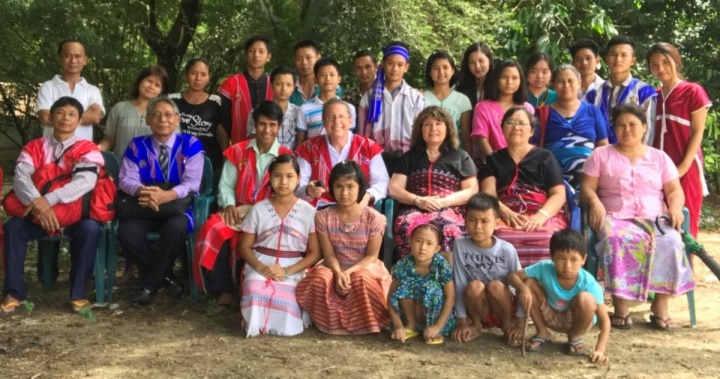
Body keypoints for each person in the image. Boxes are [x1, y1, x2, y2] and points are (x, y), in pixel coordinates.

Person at [581, 103, 695, 331]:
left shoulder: (659, 157)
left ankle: (660, 306)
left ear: (644, 127)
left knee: (671, 241)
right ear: (614, 129)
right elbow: (587, 188)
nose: (627, 129)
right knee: (617, 240)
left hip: (654, 218)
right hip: (615, 216)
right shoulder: (600, 155)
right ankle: (621, 307)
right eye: (621, 125)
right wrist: (595, 203)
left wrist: (674, 207)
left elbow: (674, 191)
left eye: (633, 124)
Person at [2, 97, 104, 313]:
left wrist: (47, 200)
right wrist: (39, 206)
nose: (65, 118)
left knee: (91, 228)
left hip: (74, 215)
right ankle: (13, 292)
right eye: (60, 112)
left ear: (78, 121)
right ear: (50, 117)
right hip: (38, 217)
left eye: (71, 114)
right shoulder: (34, 147)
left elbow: (85, 182)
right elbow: (21, 178)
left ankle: (77, 294)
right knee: (13, 228)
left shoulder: (88, 148)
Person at [193, 101, 294, 308]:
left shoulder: (286, 156)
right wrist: (229, 206)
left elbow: (288, 189)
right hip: (238, 209)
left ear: (279, 126)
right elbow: (226, 184)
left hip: (270, 212)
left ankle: (253, 286)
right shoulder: (237, 151)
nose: (267, 130)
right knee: (216, 229)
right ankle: (225, 289)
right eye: (262, 124)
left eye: (272, 125)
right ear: (254, 125)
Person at [117, 96, 205, 306]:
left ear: (177, 119)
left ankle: (149, 286)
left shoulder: (190, 144)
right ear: (148, 120)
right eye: (156, 115)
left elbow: (192, 183)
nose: (162, 120)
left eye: (168, 115)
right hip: (145, 205)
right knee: (126, 233)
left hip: (177, 207)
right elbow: (125, 179)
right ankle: (165, 278)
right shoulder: (137, 145)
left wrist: (167, 195)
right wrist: (143, 191)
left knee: (175, 229)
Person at [296, 161, 391, 335]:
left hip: (365, 266)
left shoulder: (374, 218)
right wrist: (339, 272)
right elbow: (328, 254)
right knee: (320, 278)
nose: (344, 192)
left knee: (360, 279)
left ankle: (368, 323)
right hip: (334, 265)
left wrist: (349, 272)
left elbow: (371, 256)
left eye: (350, 186)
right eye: (338, 186)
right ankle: (328, 321)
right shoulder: (323, 216)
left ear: (360, 186)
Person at [238, 154, 321, 337]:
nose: (283, 181)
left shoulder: (309, 212)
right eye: (277, 175)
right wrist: (260, 267)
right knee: (254, 288)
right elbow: (244, 246)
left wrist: (286, 272)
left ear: (299, 179)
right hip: (261, 263)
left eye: (290, 176)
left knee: (287, 299)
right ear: (270, 177)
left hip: (293, 267)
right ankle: (255, 325)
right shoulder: (258, 209)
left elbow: (315, 254)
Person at [389, 106, 478, 266]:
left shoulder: (460, 157)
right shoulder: (409, 157)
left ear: (448, 128)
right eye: (427, 124)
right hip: (414, 208)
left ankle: (446, 283)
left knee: (451, 229)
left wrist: (444, 202)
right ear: (420, 129)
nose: (433, 128)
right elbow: (394, 188)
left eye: (438, 123)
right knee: (406, 225)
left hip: (449, 208)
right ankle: (410, 279)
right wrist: (418, 200)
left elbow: (471, 190)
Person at [479, 106, 567, 266]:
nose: (516, 127)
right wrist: (505, 212)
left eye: (522, 123)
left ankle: (542, 285)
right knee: (500, 236)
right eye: (510, 122)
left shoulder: (545, 157)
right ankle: (507, 286)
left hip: (542, 213)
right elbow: (488, 194)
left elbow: (559, 194)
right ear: (502, 129)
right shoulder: (493, 159)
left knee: (548, 237)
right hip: (504, 212)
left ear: (532, 131)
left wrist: (541, 215)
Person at [507, 229, 610, 363]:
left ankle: (574, 336)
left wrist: (599, 350)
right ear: (552, 257)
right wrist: (523, 288)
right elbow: (512, 277)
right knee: (528, 283)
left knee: (587, 299)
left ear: (583, 259)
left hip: (577, 320)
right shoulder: (544, 267)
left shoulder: (589, 282)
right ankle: (542, 331)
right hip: (550, 314)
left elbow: (605, 321)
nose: (567, 266)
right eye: (561, 258)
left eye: (574, 260)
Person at [648, 42, 712, 238]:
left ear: (676, 61)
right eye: (654, 65)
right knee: (660, 222)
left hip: (686, 167)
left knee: (685, 223)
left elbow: (697, 132)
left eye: (665, 62)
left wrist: (683, 166)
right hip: (658, 169)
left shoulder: (692, 91)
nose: (660, 68)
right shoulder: (653, 96)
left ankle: (688, 268)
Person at [451, 194, 523, 346]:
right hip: (477, 305)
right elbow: (459, 282)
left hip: (502, 306)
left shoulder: (507, 250)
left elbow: (520, 286)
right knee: (474, 285)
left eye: (485, 221)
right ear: (465, 220)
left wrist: (520, 324)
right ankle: (476, 325)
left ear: (497, 223)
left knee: (496, 286)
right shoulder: (460, 245)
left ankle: (506, 326)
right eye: (472, 220)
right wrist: (462, 322)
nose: (478, 227)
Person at [296, 98, 388, 208]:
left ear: (350, 121)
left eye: (341, 116)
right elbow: (296, 183)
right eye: (330, 117)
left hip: (358, 208)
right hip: (321, 210)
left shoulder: (368, 146)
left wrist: (368, 195)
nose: (336, 122)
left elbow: (382, 182)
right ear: (323, 122)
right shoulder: (309, 148)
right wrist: (307, 190)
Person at [532, 65, 609, 190]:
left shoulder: (593, 111)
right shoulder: (541, 114)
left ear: (579, 83)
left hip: (590, 184)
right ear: (554, 85)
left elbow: (603, 146)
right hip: (553, 184)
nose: (566, 85)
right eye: (561, 82)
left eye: (570, 81)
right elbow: (533, 149)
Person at [358, 42, 425, 173]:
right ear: (382, 64)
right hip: (377, 159)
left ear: (406, 67)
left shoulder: (416, 98)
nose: (395, 69)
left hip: (408, 159)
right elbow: (362, 136)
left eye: (400, 65)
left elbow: (421, 134)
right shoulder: (369, 98)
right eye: (390, 63)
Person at [388, 223, 456, 344]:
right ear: (410, 241)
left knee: (431, 287)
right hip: (414, 312)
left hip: (438, 318)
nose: (423, 247)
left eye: (429, 243)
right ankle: (411, 325)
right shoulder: (403, 264)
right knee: (405, 284)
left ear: (437, 248)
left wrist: (437, 326)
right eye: (418, 241)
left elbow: (450, 297)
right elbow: (390, 297)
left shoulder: (440, 265)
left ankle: (432, 328)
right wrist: (398, 325)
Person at [585, 36, 657, 144]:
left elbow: (649, 131)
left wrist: (640, 158)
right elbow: (586, 126)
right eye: (613, 54)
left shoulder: (644, 92)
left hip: (632, 156)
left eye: (624, 55)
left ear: (633, 61)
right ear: (606, 59)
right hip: (599, 155)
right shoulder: (593, 93)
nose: (618, 59)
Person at [170, 58, 228, 190]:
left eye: (203, 74)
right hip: (176, 161)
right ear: (186, 75)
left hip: (209, 162)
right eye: (193, 73)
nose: (198, 78)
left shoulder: (216, 102)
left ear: (209, 77)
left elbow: (223, 135)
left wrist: (225, 162)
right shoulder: (172, 100)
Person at [35, 39, 105, 141]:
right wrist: (83, 115)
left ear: (85, 60)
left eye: (78, 56)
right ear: (59, 59)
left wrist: (57, 116)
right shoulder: (48, 86)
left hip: (82, 152)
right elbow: (45, 117)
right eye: (68, 56)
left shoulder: (92, 90)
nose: (73, 61)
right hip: (51, 151)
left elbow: (95, 117)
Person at [99, 65, 169, 160]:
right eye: (149, 81)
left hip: (153, 171)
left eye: (157, 85)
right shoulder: (120, 108)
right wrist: (93, 153)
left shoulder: (166, 113)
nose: (151, 87)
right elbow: (108, 139)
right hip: (120, 170)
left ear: (161, 91)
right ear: (140, 81)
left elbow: (172, 144)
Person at [471, 60, 534, 164]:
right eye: (504, 77)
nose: (509, 82)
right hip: (492, 164)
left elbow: (529, 140)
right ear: (496, 79)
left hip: (522, 164)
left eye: (514, 78)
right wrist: (496, 163)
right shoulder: (482, 107)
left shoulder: (527, 109)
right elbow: (481, 139)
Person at [218, 35, 273, 143]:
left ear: (268, 57)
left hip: (270, 150)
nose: (256, 55)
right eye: (252, 51)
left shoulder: (274, 85)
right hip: (239, 148)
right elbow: (223, 123)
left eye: (261, 51)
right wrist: (225, 154)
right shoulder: (230, 84)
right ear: (246, 55)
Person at [295, 58, 357, 147]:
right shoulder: (305, 109)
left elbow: (351, 139)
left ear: (339, 79)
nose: (328, 79)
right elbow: (300, 143)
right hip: (314, 157)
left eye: (332, 75)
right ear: (315, 80)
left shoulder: (349, 108)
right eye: (323, 75)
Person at [423, 50, 473, 151]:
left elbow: (466, 137)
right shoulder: (420, 98)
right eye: (436, 68)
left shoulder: (462, 100)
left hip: (454, 156)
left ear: (452, 70)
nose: (441, 72)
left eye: (445, 67)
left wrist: (468, 162)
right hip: (427, 155)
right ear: (429, 72)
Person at [247, 66, 299, 148]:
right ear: (271, 85)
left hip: (290, 159)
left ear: (293, 87)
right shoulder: (258, 111)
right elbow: (252, 140)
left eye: (288, 85)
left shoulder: (299, 113)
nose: (284, 89)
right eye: (279, 84)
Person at [289, 40, 343, 106]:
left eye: (308, 58)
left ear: (318, 58)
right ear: (294, 60)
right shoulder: (288, 86)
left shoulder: (334, 88)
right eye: (299, 58)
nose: (304, 63)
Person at [456, 42, 494, 108]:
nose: (477, 66)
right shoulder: (460, 87)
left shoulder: (498, 85)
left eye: (481, 61)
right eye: (472, 63)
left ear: (489, 61)